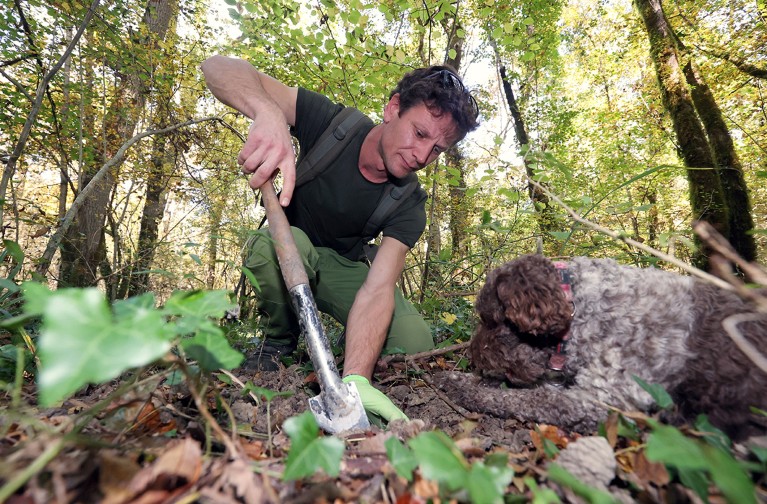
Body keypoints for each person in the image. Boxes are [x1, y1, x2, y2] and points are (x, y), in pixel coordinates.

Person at [201, 55, 479, 422]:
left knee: (415, 339)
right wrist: (268, 113)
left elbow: (378, 290)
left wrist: (357, 378)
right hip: (289, 247)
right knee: (275, 246)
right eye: (420, 133)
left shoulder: (409, 202)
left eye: (437, 150)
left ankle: (348, 357)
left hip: (341, 267)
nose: (423, 156)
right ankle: (278, 341)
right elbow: (216, 67)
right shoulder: (333, 124)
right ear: (393, 108)